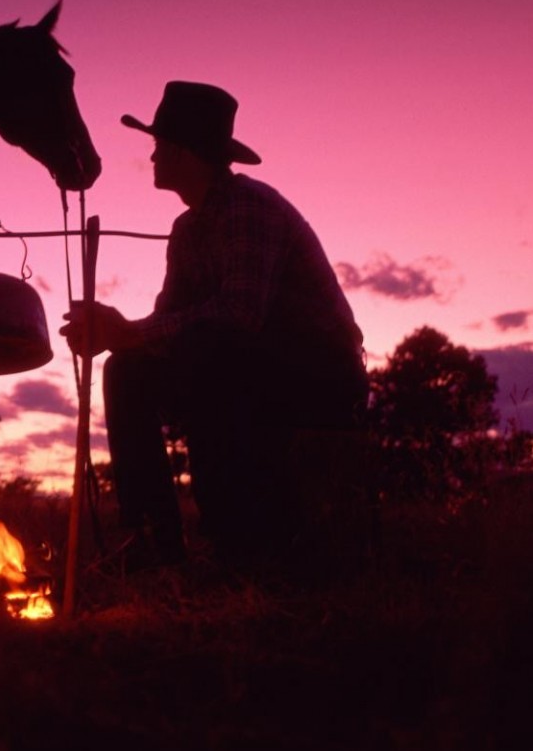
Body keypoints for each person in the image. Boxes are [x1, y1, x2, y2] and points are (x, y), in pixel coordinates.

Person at [63, 81, 367, 571]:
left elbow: (240, 316)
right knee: (127, 370)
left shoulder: (251, 207)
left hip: (321, 372)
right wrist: (115, 335)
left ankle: (239, 539)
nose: (154, 157)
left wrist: (132, 332)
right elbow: (169, 324)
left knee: (212, 350)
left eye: (159, 146)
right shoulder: (187, 231)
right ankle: (152, 538)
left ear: (184, 153)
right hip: (248, 365)